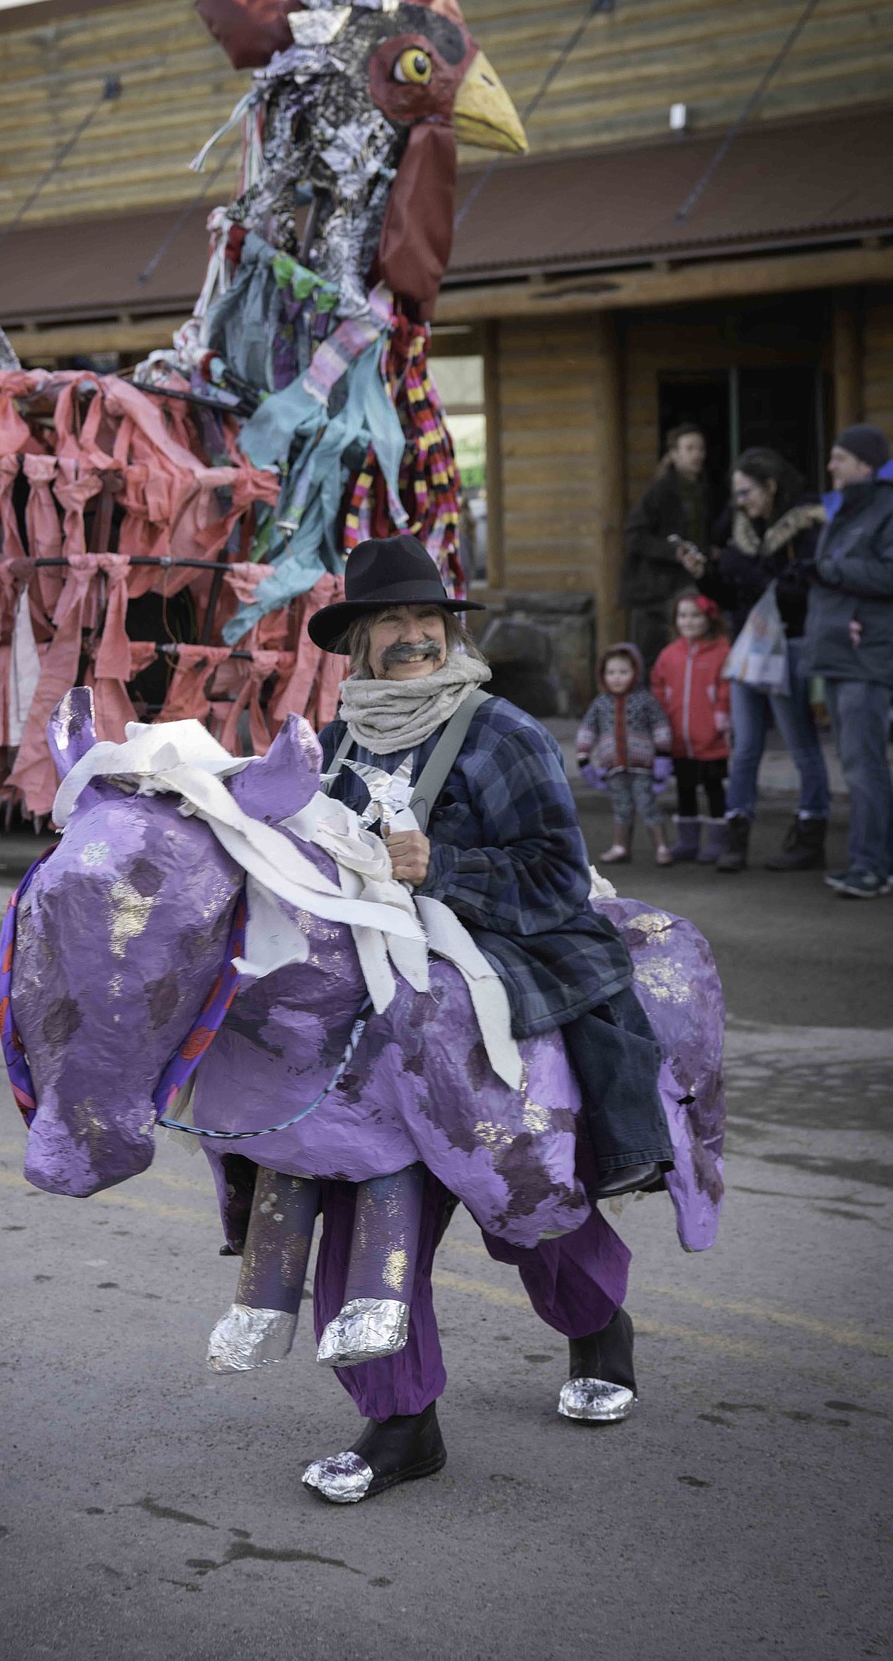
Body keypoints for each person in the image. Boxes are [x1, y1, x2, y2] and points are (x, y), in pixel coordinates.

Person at [303, 535, 676, 1492]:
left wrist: (444, 868)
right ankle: (401, 1424)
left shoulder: (502, 730)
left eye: (429, 619)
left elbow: (559, 877)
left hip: (498, 976)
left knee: (523, 1199)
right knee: (357, 1198)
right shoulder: (336, 736)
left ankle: (599, 1325)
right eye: (392, 620)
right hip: (371, 1002)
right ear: (356, 642)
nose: (416, 635)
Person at [702, 447, 829, 874]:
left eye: (747, 492)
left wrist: (745, 568)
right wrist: (705, 574)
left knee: (800, 744)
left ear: (770, 486)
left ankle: (811, 833)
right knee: (745, 748)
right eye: (736, 493)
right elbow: (733, 596)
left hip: (788, 646)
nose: (741, 502)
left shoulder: (806, 526)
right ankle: (736, 835)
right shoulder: (741, 532)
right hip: (746, 650)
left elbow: (800, 592)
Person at [801, 424, 893, 900]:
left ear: (865, 464)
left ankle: (870, 867)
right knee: (858, 763)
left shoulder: (886, 507)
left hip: (867, 660)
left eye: (840, 457)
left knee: (863, 765)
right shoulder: (844, 511)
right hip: (839, 657)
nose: (832, 465)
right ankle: (876, 861)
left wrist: (830, 569)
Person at [619, 424, 709, 670]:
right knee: (652, 660)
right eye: (689, 448)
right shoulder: (660, 491)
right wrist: (674, 552)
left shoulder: (703, 490)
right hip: (653, 592)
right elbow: (634, 535)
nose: (697, 454)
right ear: (675, 454)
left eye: (700, 448)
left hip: (684, 585)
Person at [650, 591, 731, 863]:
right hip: (678, 739)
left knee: (714, 788)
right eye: (683, 615)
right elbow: (658, 686)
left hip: (712, 738)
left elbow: (726, 686)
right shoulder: (669, 654)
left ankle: (719, 841)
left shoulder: (722, 650)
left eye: (695, 615)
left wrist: (721, 711)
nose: (689, 621)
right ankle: (688, 841)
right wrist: (659, 719)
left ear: (710, 618)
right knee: (685, 789)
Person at [576, 642, 673, 866]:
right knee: (621, 807)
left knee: (647, 804)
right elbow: (587, 731)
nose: (616, 677)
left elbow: (660, 727)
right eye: (611, 672)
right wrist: (584, 759)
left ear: (636, 673)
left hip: (643, 767)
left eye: (623, 672)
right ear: (602, 675)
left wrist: (662, 759)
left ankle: (661, 846)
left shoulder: (645, 700)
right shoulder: (600, 704)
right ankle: (621, 847)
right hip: (613, 768)